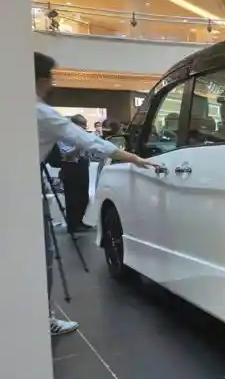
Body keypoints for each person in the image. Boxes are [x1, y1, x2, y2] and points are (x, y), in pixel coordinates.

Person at [35, 51, 158, 335]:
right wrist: (135, 158)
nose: (52, 83)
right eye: (50, 77)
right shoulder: (41, 112)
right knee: (43, 254)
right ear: (41, 79)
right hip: (26, 192)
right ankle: (43, 318)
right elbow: (89, 142)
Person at [58, 114, 93, 233]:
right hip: (70, 167)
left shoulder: (83, 136)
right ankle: (72, 225)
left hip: (82, 165)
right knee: (73, 198)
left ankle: (80, 221)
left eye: (85, 125)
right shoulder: (64, 137)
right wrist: (78, 146)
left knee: (84, 197)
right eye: (82, 125)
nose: (84, 128)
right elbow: (65, 155)